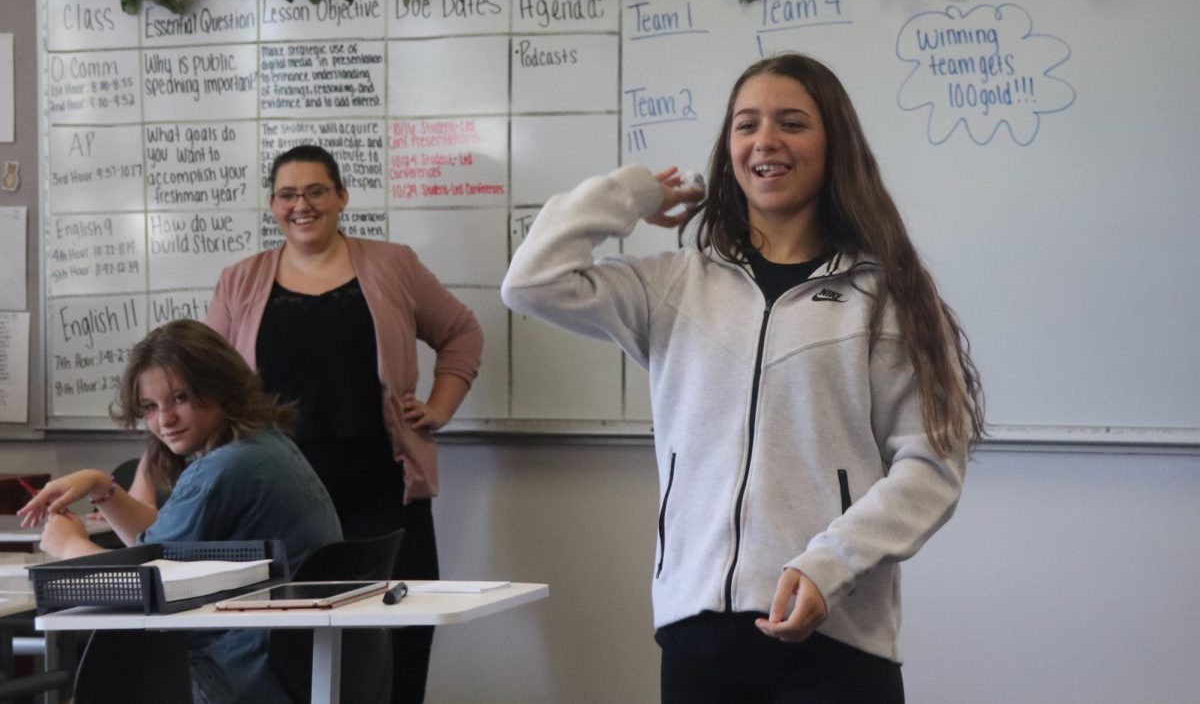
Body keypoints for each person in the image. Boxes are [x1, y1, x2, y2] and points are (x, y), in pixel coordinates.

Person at [501, 53, 985, 703]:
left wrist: (828, 566)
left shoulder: (885, 294)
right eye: (746, 124)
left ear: (834, 145)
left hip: (836, 640)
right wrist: (634, 194)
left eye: (793, 123)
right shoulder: (673, 286)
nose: (766, 141)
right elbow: (531, 282)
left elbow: (931, 466)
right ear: (728, 146)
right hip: (698, 638)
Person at [205, 143, 484, 704]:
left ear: (340, 197)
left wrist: (439, 407)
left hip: (382, 495)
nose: (301, 205)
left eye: (315, 191)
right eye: (287, 194)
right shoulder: (240, 281)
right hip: (275, 505)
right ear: (272, 203)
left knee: (401, 641)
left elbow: (462, 332)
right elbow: (210, 381)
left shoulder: (392, 264)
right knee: (283, 649)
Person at [17, 320, 341, 704]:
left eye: (181, 398)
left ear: (221, 386)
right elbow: (161, 549)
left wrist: (70, 546)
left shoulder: (221, 470)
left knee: (98, 684)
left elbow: (142, 583)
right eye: (150, 407)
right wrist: (102, 487)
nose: (164, 420)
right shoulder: (267, 447)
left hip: (231, 677)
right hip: (285, 672)